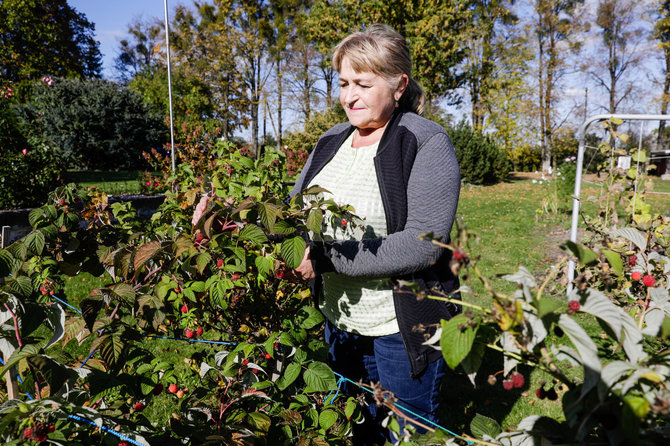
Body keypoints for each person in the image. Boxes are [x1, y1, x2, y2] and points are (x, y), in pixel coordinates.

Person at [288, 24, 461, 445]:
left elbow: (420, 244)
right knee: (357, 426)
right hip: (340, 317)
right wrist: (222, 221)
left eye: (363, 84)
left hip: (400, 326)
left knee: (408, 431)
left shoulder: (425, 141)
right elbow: (292, 215)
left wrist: (325, 258)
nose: (349, 96)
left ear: (398, 85)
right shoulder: (332, 140)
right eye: (344, 83)